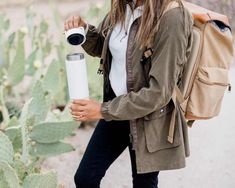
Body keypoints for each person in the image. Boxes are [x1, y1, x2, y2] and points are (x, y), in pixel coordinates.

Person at [64, 0, 193, 187]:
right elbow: (106, 47)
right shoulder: (122, 7)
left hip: (148, 118)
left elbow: (159, 92)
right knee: (85, 177)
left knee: (143, 184)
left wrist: (102, 110)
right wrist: (84, 29)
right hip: (116, 109)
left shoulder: (172, 16)